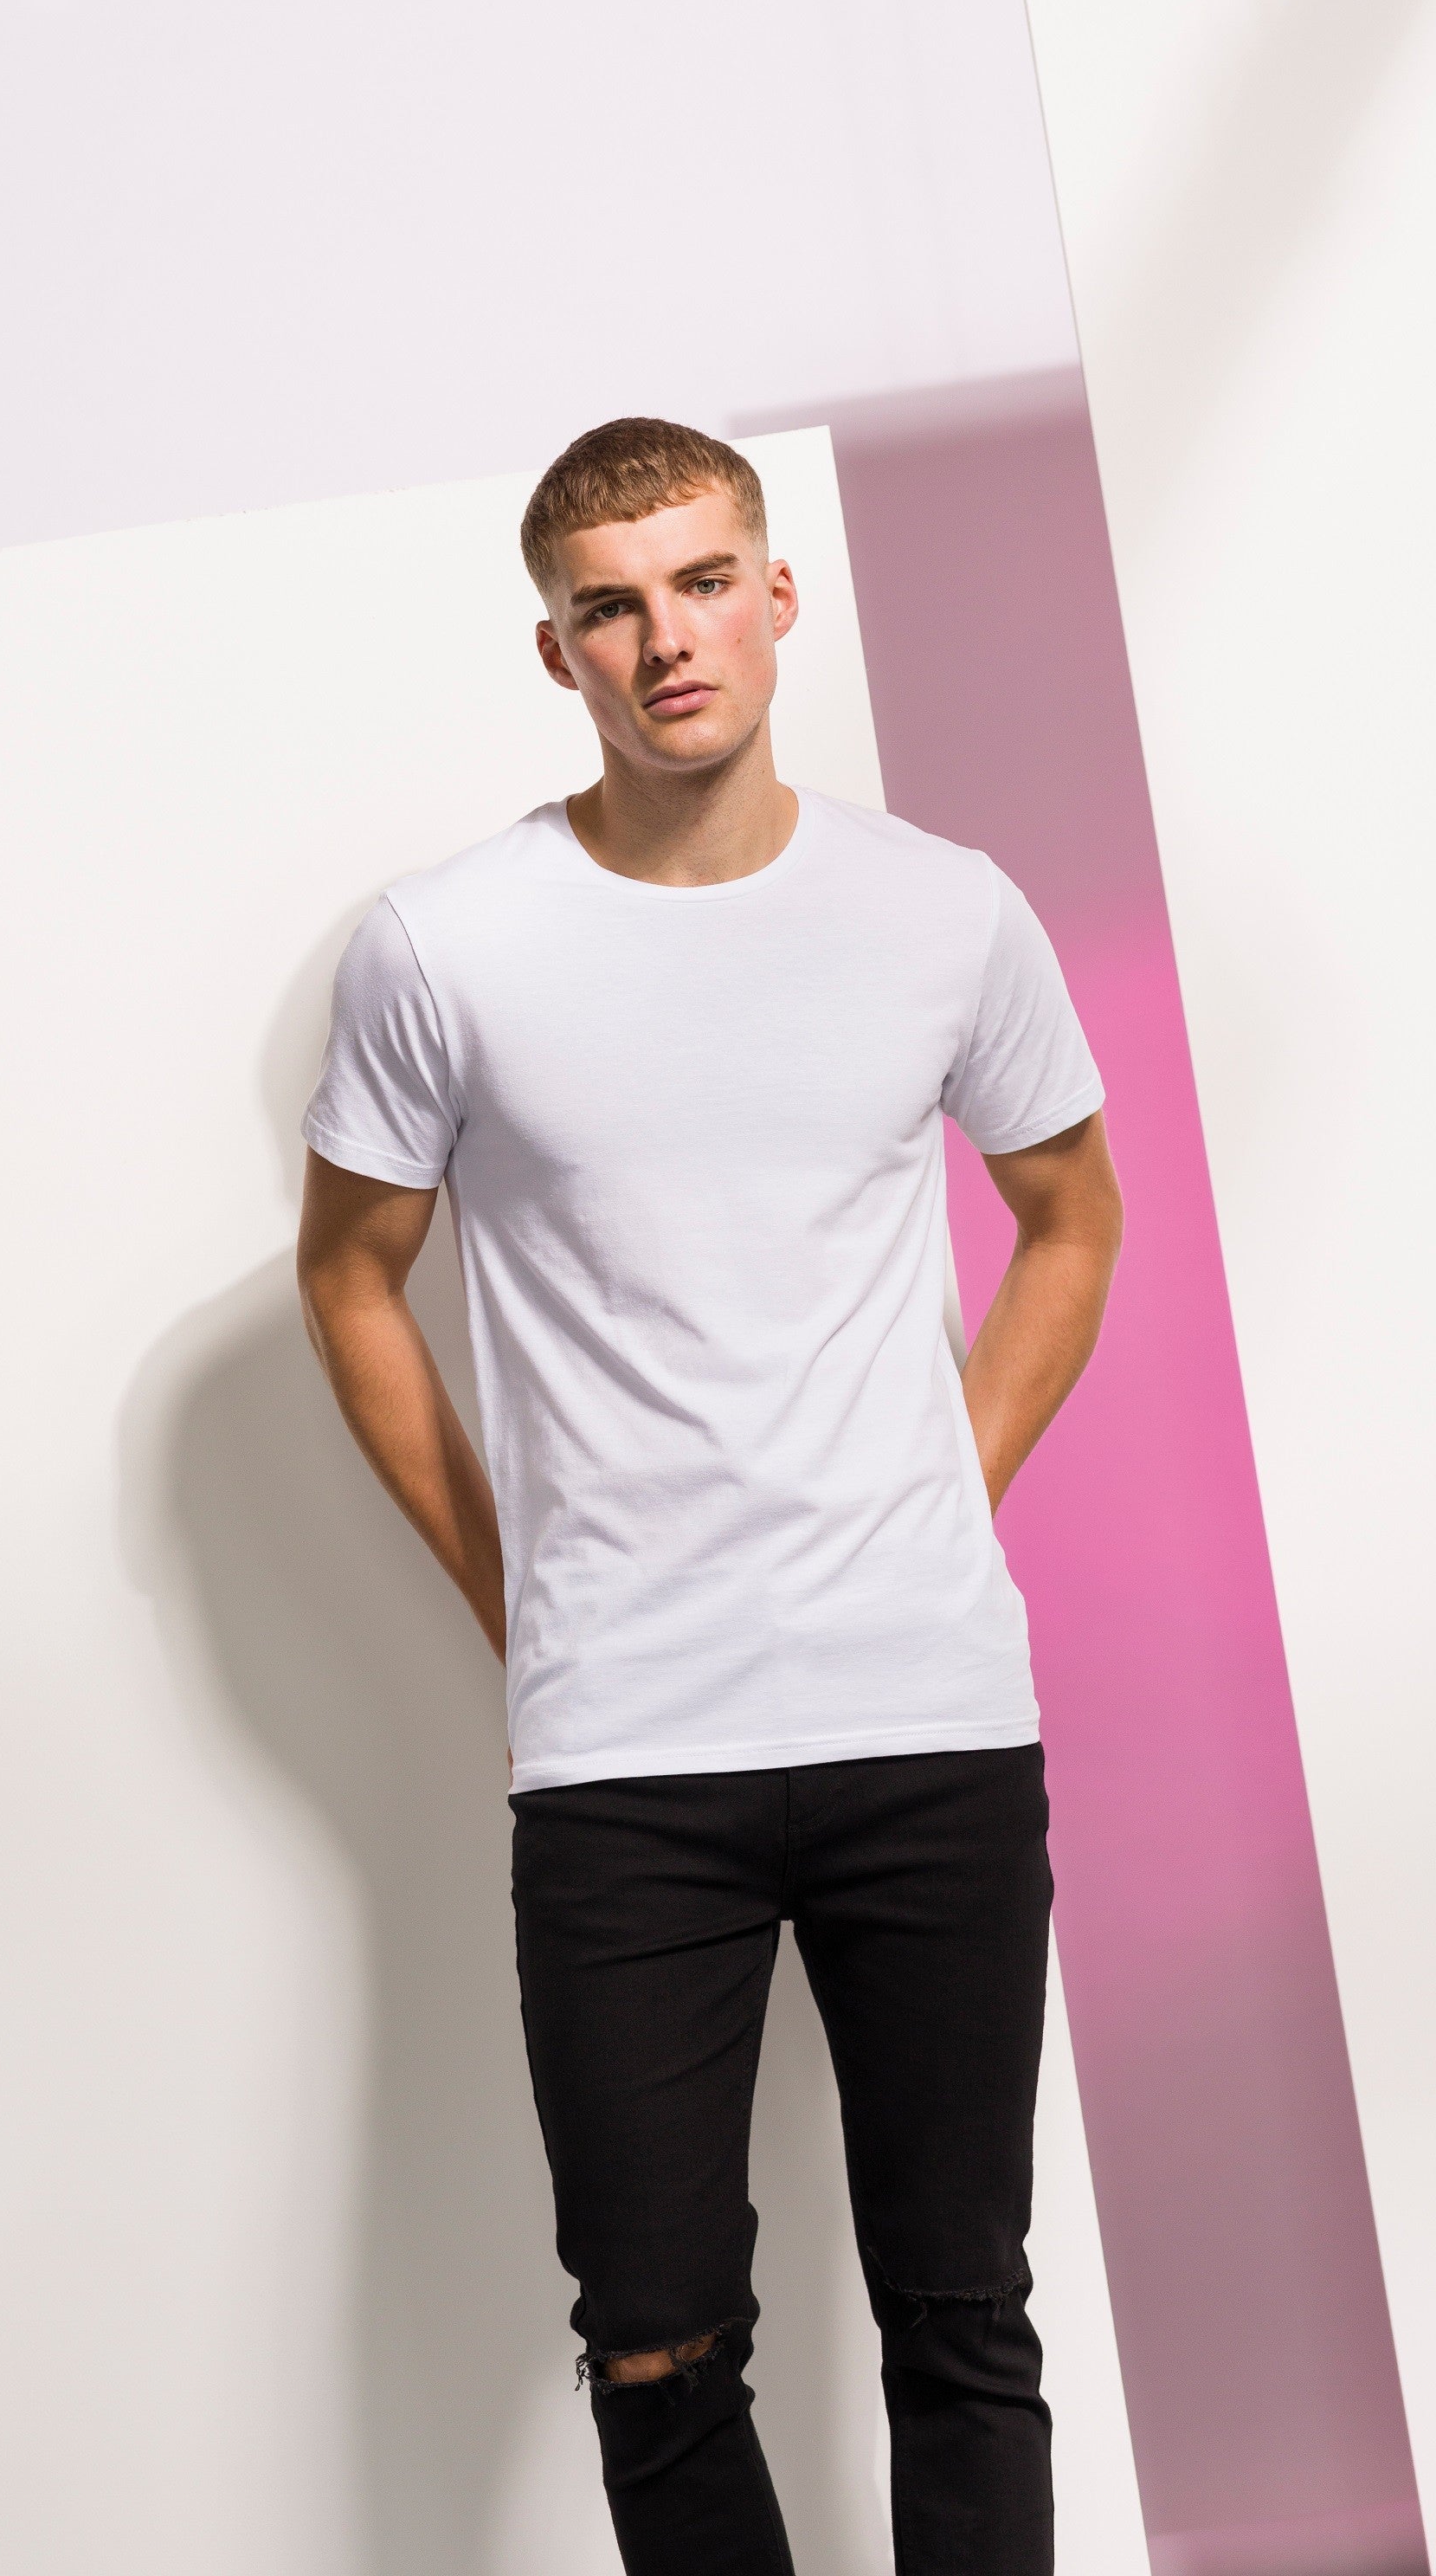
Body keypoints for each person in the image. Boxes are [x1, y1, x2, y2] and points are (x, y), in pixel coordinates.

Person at [294, 416, 1123, 2576]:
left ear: (776, 596)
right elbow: (348, 1276)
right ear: (554, 648)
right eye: (609, 606)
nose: (664, 638)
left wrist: (939, 1488)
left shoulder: (943, 911)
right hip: (625, 1749)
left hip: (926, 1721)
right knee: (654, 2345)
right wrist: (519, 1592)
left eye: (698, 583)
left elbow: (1072, 1220)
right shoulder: (445, 946)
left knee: (962, 2312)